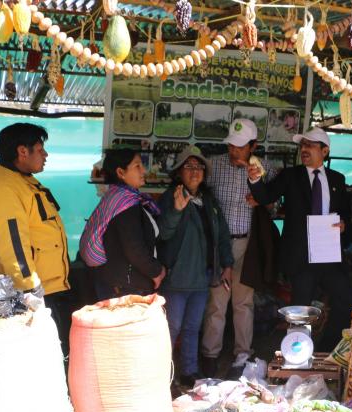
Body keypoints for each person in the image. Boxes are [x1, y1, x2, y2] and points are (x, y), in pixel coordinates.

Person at [246, 127, 352, 352]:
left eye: (310, 145)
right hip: (301, 255)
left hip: (329, 254)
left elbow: (346, 212)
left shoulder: (337, 178)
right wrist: (255, 180)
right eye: (302, 145)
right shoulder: (290, 175)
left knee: (345, 300)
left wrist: (344, 224)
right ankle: (296, 354)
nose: (304, 149)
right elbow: (266, 196)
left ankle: (326, 349)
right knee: (300, 309)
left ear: (324, 151)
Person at [0, 123, 73, 349]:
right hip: (31, 293)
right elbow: (14, 245)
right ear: (22, 151)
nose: (45, 155)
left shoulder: (21, 180)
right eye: (40, 150)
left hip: (47, 287)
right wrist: (30, 291)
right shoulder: (4, 189)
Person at [202, 118, 276, 369]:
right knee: (217, 302)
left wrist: (263, 200)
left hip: (248, 244)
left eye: (240, 146)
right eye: (231, 145)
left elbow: (274, 206)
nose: (234, 151)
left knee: (243, 302)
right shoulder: (213, 166)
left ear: (253, 146)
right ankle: (210, 354)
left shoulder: (266, 169)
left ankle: (243, 353)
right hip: (219, 247)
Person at [157, 145, 233, 385]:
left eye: (199, 166)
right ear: (179, 172)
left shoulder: (208, 200)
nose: (194, 171)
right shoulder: (170, 198)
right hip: (177, 278)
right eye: (188, 166)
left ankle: (189, 371)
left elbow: (221, 235)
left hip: (202, 277)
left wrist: (227, 264)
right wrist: (177, 211)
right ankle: (160, 374)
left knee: (192, 328)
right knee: (172, 328)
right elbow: (162, 233)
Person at [79, 148, 165, 300]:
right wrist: (156, 271)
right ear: (120, 172)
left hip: (113, 280)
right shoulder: (126, 205)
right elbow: (134, 248)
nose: (143, 170)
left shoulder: (115, 197)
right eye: (137, 166)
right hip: (124, 287)